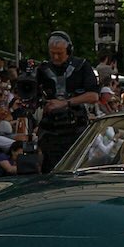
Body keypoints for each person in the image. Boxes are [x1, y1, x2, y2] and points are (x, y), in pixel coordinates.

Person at [34, 32, 99, 171]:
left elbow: (93, 96)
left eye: (60, 53)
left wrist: (65, 103)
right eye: (53, 53)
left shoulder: (81, 66)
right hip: (50, 131)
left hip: (75, 129)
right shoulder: (43, 70)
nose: (56, 57)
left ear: (69, 50)